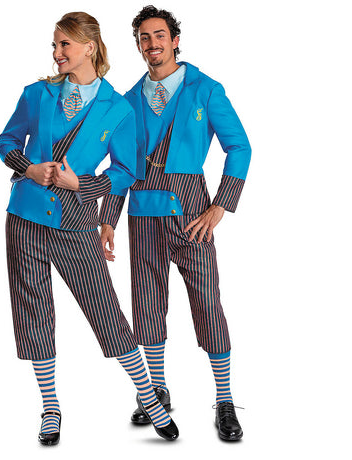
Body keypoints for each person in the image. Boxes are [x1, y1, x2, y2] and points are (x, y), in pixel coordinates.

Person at [0, 11, 179, 445]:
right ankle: (50, 407)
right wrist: (29, 168)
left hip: (76, 222)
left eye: (65, 45)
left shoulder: (118, 108)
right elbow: (5, 142)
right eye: (55, 45)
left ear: (89, 47)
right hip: (23, 218)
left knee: (105, 310)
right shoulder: (36, 94)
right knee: (34, 314)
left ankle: (148, 396)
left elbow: (126, 171)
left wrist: (82, 185)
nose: (57, 53)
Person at [99, 5, 251, 441]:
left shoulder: (205, 89)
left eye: (159, 35)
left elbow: (239, 147)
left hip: (193, 215)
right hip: (143, 215)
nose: (152, 43)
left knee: (207, 304)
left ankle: (224, 400)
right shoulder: (127, 101)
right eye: (144, 37)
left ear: (175, 40)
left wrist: (220, 206)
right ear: (138, 45)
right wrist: (108, 219)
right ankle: (157, 392)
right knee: (147, 305)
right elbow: (122, 164)